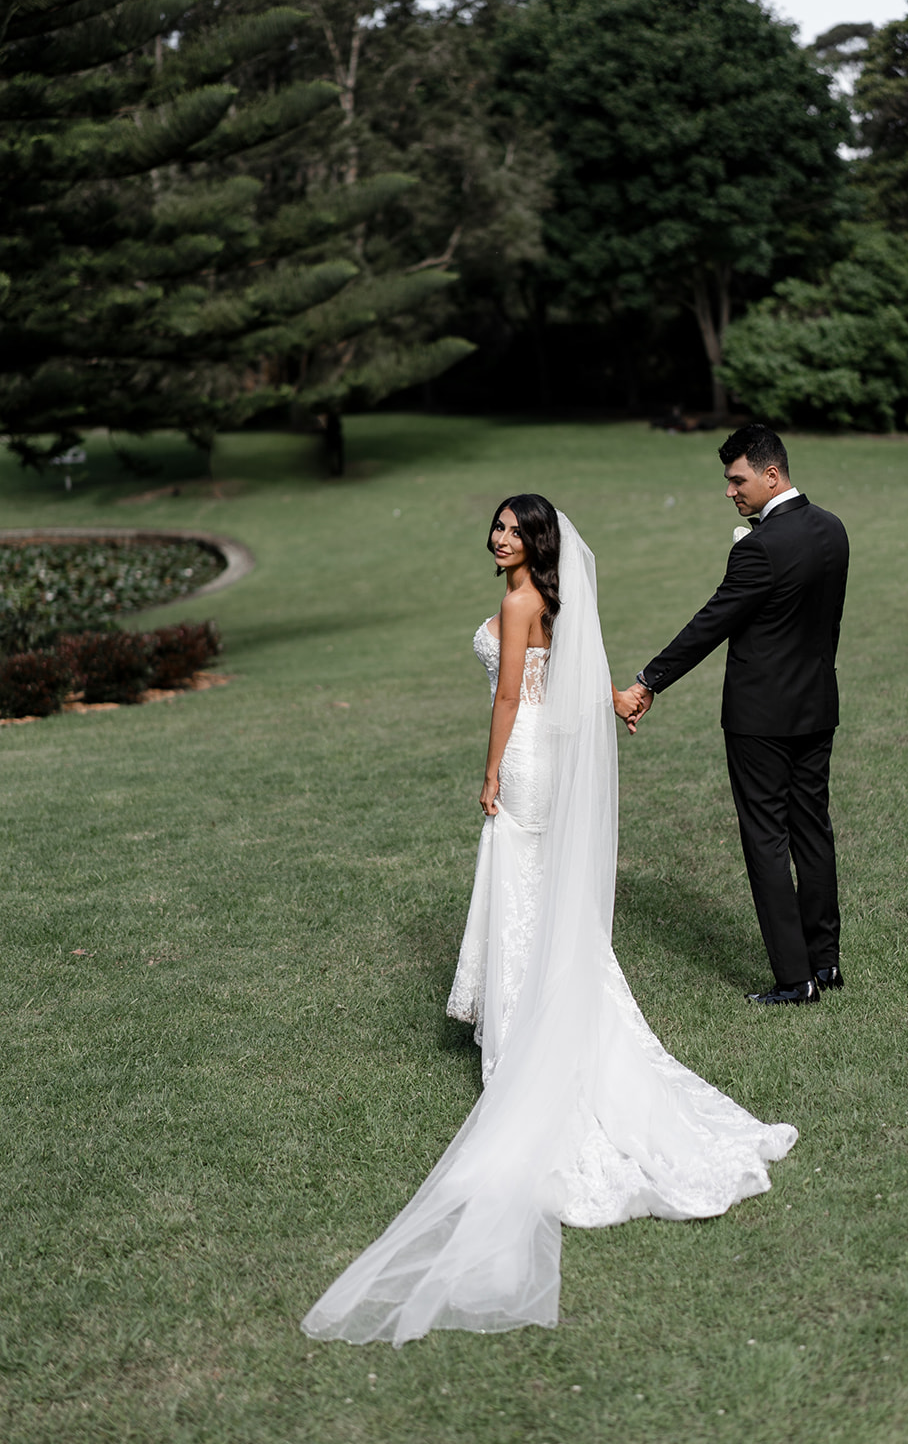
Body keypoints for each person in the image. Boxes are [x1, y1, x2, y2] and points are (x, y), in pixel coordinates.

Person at [302, 494, 796, 1348]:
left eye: (512, 531)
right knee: (535, 896)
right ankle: (541, 1011)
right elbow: (564, 665)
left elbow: (506, 697)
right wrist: (613, 699)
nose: (498, 539)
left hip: (525, 756)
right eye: (495, 528)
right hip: (551, 753)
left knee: (521, 890)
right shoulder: (550, 601)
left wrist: (490, 772)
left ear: (536, 542)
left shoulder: (519, 601)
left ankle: (524, 1033)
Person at [615, 425, 849, 1006]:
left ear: (771, 474)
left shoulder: (758, 549)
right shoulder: (833, 529)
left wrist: (648, 681)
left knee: (766, 838)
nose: (730, 491)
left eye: (737, 479)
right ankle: (825, 963)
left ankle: (795, 979)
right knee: (812, 830)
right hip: (817, 705)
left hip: (760, 719)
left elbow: (711, 623)